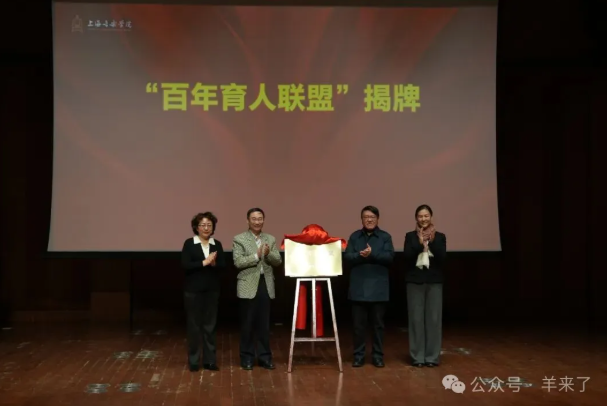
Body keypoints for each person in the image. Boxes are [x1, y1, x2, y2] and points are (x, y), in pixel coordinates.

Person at [344, 205, 395, 368]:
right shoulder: (355, 236)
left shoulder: (385, 237)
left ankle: (378, 356)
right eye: (366, 217)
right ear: (362, 219)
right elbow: (348, 257)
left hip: (379, 289)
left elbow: (389, 257)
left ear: (377, 219)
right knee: (358, 326)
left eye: (372, 217)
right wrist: (361, 255)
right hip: (358, 288)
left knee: (378, 326)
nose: (369, 220)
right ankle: (358, 356)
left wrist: (372, 254)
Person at [232, 207, 282, 370]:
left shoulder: (270, 238)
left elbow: (278, 261)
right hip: (247, 284)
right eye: (254, 219)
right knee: (247, 324)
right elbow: (238, 262)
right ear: (247, 221)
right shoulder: (239, 239)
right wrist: (257, 255)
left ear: (263, 220)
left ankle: (265, 357)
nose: (257, 222)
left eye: (260, 219)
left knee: (264, 325)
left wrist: (267, 253)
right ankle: (247, 358)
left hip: (265, 284)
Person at [403, 204, 447, 367]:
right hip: (415, 281)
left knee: (434, 319)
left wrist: (431, 242)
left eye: (426, 216)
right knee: (416, 320)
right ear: (416, 218)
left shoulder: (440, 237)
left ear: (431, 217)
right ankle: (417, 357)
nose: (423, 219)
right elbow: (407, 257)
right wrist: (420, 243)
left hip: (434, 282)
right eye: (420, 216)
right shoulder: (410, 236)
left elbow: (442, 258)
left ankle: (432, 357)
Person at [181, 212, 226, 372]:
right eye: (203, 225)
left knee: (210, 326)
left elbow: (223, 266)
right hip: (193, 291)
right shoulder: (189, 243)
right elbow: (185, 265)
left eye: (209, 225)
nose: (206, 228)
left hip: (212, 291)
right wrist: (204, 262)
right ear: (196, 227)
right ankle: (194, 361)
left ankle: (210, 361)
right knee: (194, 327)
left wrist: (214, 264)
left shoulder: (216, 244)